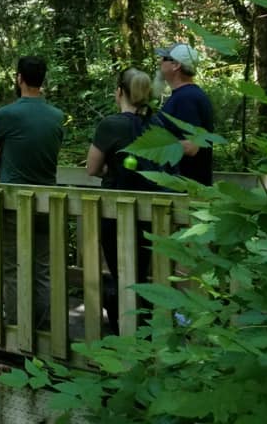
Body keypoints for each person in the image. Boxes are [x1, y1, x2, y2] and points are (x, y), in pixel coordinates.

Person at [0, 56, 64, 327]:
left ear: (19, 78)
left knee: (12, 267)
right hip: (47, 200)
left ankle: (19, 328)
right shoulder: (56, 116)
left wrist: (2, 149)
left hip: (14, 201)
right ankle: (42, 329)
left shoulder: (7, 114)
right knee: (42, 269)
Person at [86, 68, 159, 333]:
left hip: (115, 209)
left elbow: (92, 168)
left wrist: (112, 169)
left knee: (120, 272)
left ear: (119, 92)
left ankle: (122, 328)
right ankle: (144, 329)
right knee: (142, 271)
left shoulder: (111, 125)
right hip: (152, 210)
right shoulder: (158, 123)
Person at [152, 43, 214, 186]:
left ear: (176, 65)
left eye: (164, 58)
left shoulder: (186, 98)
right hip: (186, 189)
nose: (159, 62)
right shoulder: (186, 95)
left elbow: (191, 147)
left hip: (187, 192)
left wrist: (151, 146)